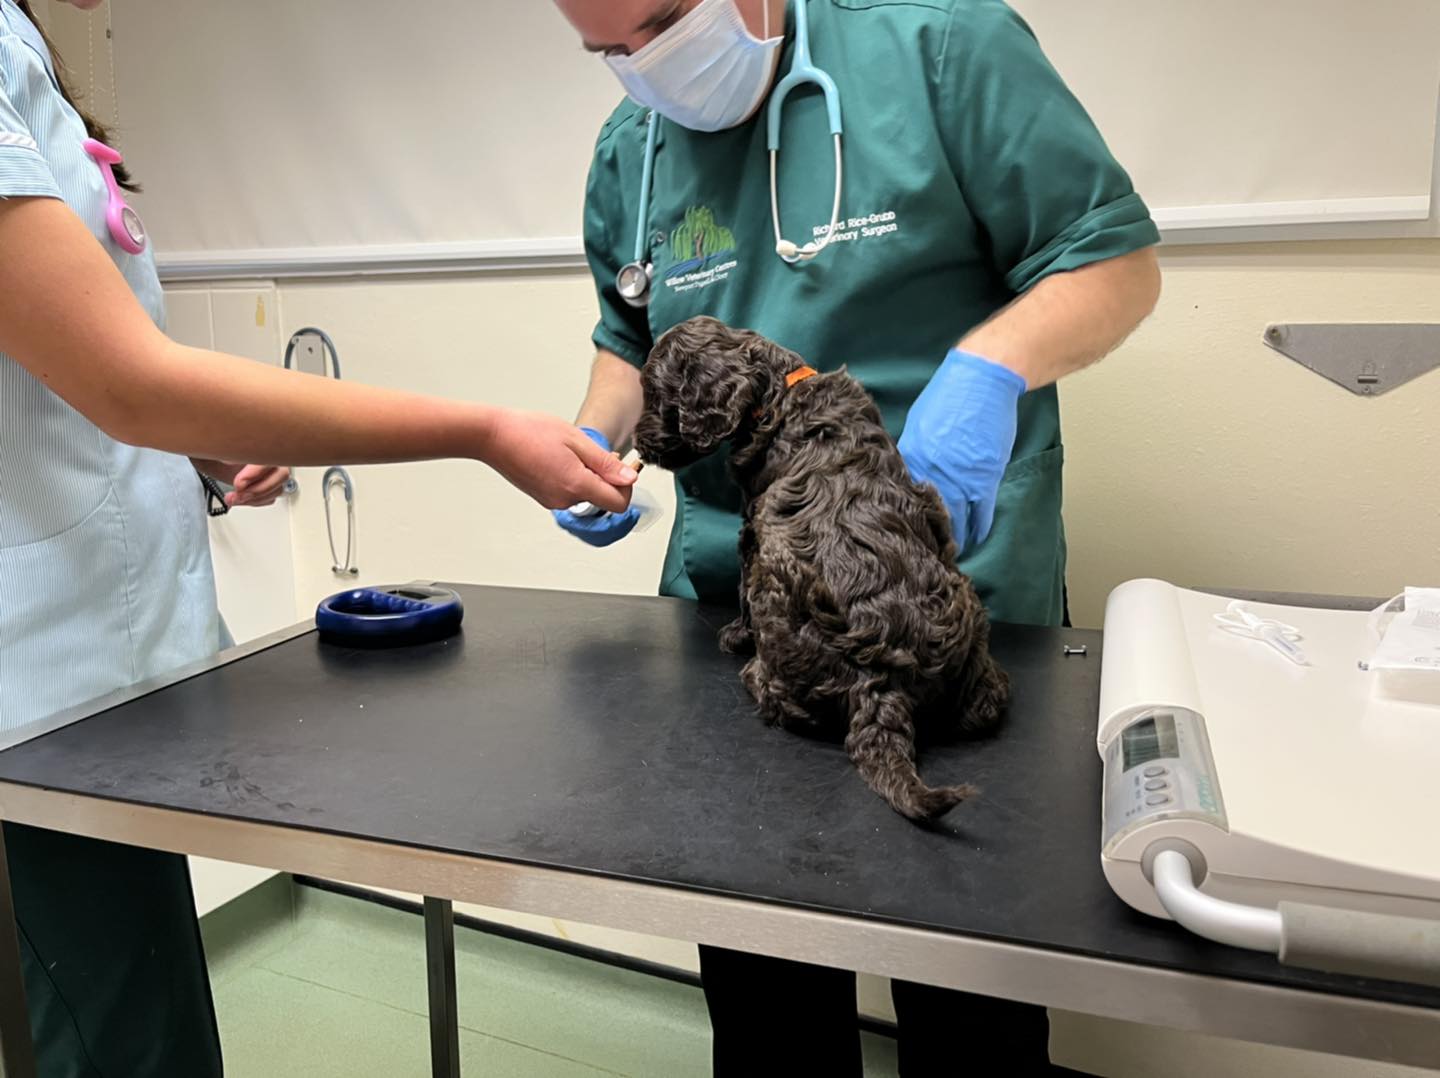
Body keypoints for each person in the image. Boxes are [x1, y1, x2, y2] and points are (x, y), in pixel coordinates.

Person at [0, 1, 636, 1073]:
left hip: (105, 689)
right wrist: (483, 432)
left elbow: (58, 379)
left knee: (148, 1020)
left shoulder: (22, 51)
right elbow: (127, 382)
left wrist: (201, 447)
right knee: (118, 1037)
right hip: (39, 697)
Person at [549, 0, 1162, 1073]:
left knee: (972, 1005)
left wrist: (989, 371)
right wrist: (592, 441)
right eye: (609, 51)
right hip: (743, 622)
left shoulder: (941, 45)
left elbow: (1113, 264)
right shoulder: (632, 148)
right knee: (767, 1006)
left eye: (662, 20)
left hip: (944, 592)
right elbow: (627, 337)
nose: (645, 65)